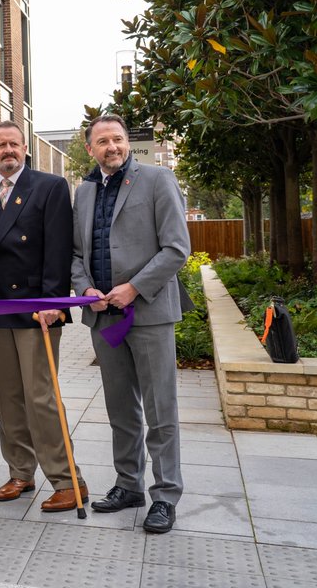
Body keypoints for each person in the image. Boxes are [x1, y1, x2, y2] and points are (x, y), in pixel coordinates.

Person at [71, 114, 189, 534]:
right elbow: (75, 253)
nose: (112, 147)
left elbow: (177, 248)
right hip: (104, 317)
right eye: (102, 141)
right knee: (120, 408)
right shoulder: (83, 192)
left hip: (150, 313)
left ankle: (165, 495)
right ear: (91, 148)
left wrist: (133, 288)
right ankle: (128, 485)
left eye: (117, 139)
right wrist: (84, 287)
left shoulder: (157, 180)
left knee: (160, 410)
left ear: (127, 143)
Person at [0, 121, 84, 512]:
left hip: (37, 311)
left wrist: (52, 300)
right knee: (7, 397)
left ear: (25, 148)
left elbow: (58, 249)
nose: (8, 151)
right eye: (1, 145)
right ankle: (20, 472)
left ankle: (67, 479)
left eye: (14, 144)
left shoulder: (49, 187)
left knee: (40, 397)